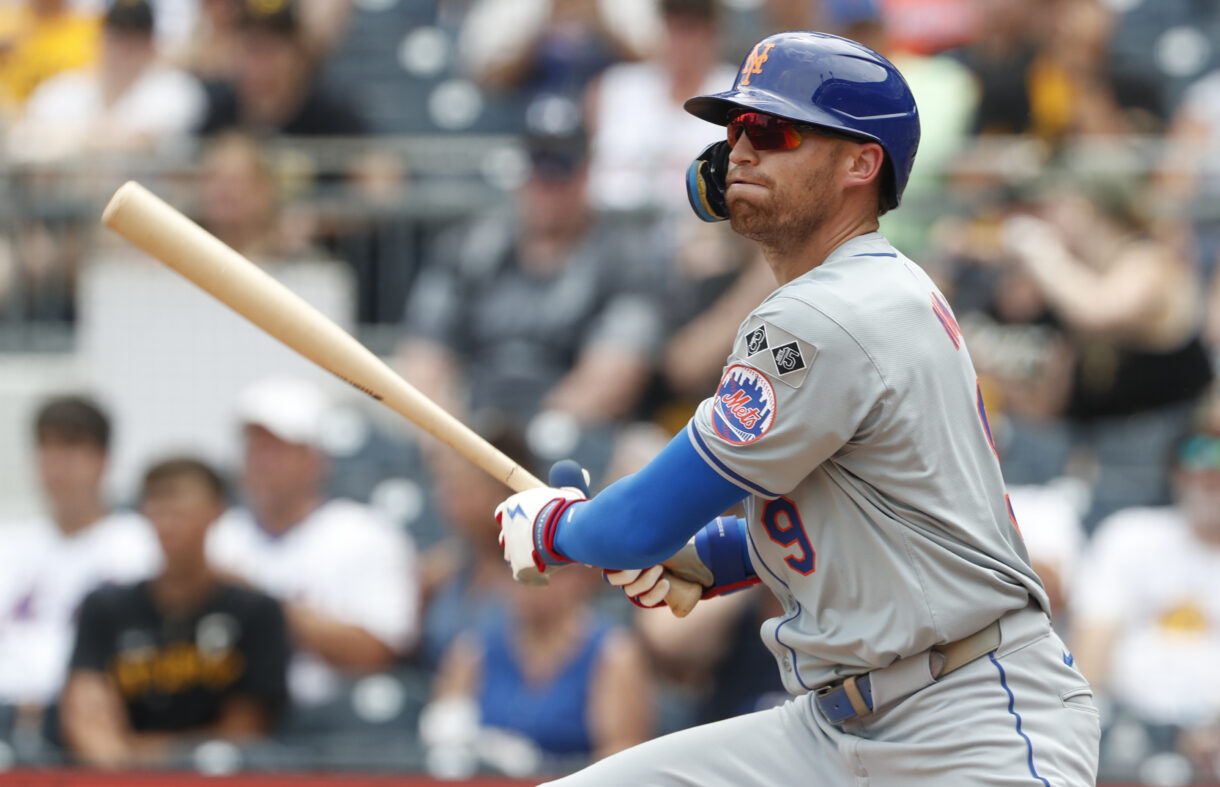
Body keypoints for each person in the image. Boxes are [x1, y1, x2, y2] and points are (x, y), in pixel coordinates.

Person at [494, 31, 1100, 785]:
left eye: (774, 131)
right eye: (736, 131)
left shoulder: (828, 312)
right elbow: (870, 517)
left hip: (968, 723)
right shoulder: (871, 288)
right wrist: (709, 557)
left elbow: (636, 521)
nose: (741, 152)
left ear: (860, 162)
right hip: (834, 726)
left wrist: (559, 526)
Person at [206, 377, 419, 713]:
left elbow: (375, 653)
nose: (262, 461)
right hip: (235, 717)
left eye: (277, 448)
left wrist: (258, 606)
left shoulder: (366, 534)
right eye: (253, 446)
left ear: (315, 459)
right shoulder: (218, 538)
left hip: (339, 724)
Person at [59, 458, 289, 770]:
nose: (167, 522)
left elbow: (244, 735)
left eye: (180, 509)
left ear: (216, 511)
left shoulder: (255, 611)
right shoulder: (105, 607)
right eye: (157, 507)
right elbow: (87, 718)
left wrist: (141, 752)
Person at [0, 396, 159, 746]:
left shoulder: (142, 544)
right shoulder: (10, 543)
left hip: (97, 719)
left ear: (103, 460)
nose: (57, 465)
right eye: (48, 449)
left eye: (71, 449)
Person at [1070, 431, 1220, 782]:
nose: (1211, 481)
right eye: (1200, 468)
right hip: (1128, 732)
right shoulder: (1131, 535)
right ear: (1176, 475)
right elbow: (1092, 644)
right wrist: (1084, 728)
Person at [7, 0, 207, 162]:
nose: (124, 48)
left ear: (151, 44)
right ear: (103, 38)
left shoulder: (176, 90)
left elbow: (146, 140)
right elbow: (21, 140)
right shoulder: (64, 88)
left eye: (135, 38)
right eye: (117, 37)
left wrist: (66, 140)